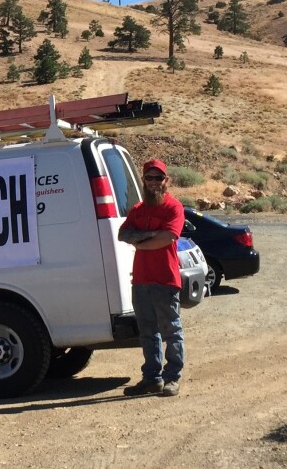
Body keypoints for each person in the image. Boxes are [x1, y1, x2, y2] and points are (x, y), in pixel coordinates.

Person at [118, 159, 185, 397]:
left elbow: (168, 238)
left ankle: (171, 378)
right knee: (147, 331)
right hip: (142, 280)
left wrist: (141, 242)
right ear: (143, 180)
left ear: (166, 181)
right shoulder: (138, 209)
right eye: (150, 177)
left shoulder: (173, 207)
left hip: (165, 279)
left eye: (159, 178)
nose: (154, 182)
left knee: (171, 330)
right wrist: (150, 236)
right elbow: (123, 234)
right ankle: (151, 378)